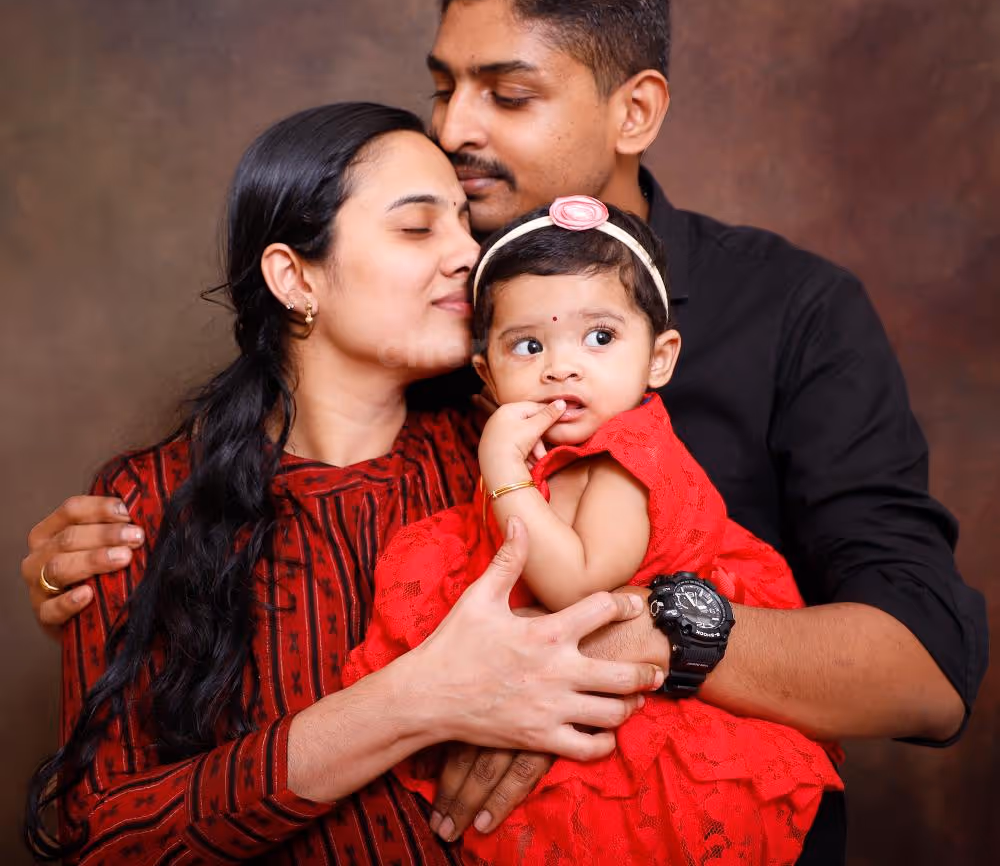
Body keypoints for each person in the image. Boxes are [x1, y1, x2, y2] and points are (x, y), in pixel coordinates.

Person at [22, 0, 987, 862]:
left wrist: (640, 639)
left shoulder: (792, 309)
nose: (452, 128)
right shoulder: (443, 328)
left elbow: (928, 670)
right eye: (443, 86)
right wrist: (127, 567)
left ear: (634, 112)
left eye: (507, 94)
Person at [24, 103, 665, 864]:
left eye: (467, 223)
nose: (471, 253)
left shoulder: (516, 458)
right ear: (295, 278)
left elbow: (699, 576)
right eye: (419, 227)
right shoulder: (144, 505)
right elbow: (103, 835)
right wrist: (414, 700)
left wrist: (654, 625)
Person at [342, 196, 844, 865]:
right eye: (529, 345)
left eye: (600, 338)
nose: (562, 366)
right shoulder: (561, 455)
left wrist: (500, 467)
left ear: (660, 358)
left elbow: (575, 582)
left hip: (640, 723)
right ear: (487, 373)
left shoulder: (625, 459)